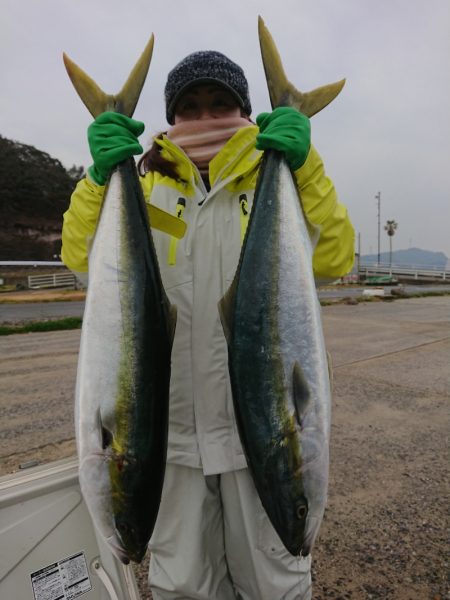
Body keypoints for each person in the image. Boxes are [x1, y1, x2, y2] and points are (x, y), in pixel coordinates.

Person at [61, 50, 354, 600]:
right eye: (190, 107)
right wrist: (100, 178)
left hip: (258, 437)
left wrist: (305, 165)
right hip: (167, 441)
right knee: (183, 586)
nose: (205, 117)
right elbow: (80, 255)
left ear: (245, 109)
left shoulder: (274, 177)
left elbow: (336, 257)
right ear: (172, 118)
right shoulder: (144, 188)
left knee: (276, 584)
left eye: (221, 104)